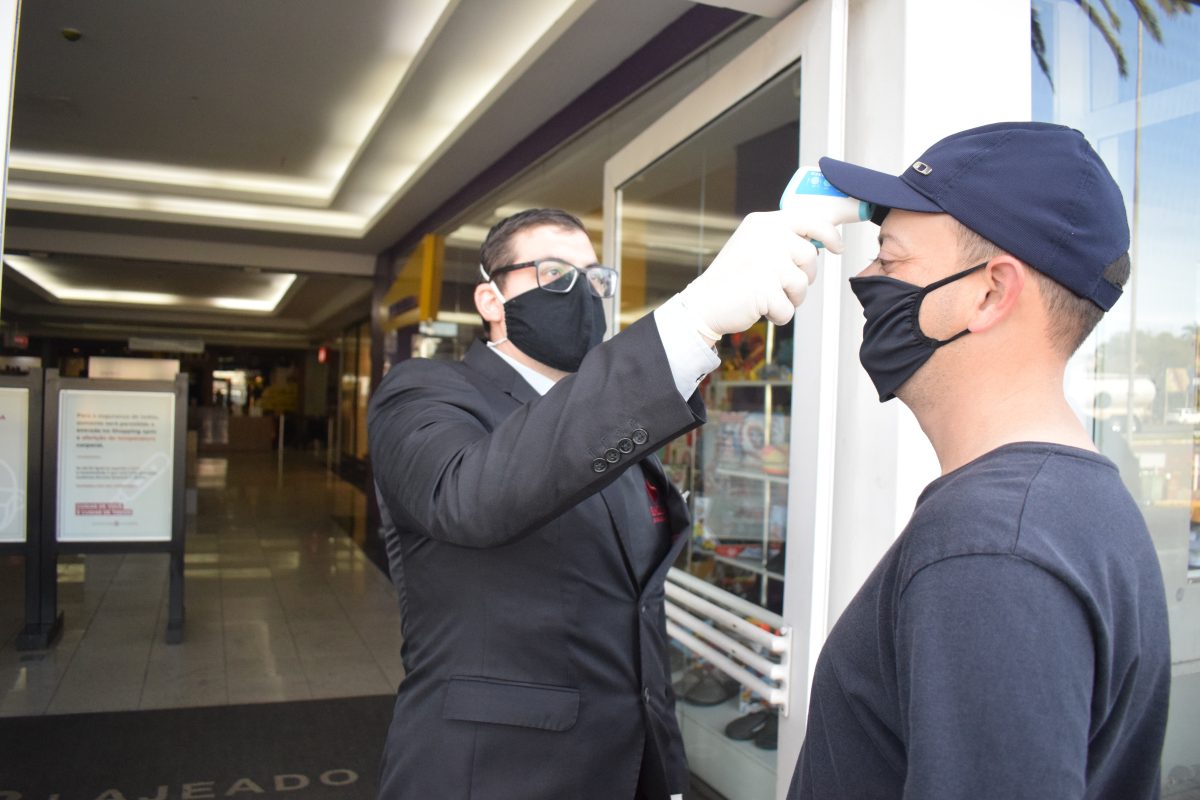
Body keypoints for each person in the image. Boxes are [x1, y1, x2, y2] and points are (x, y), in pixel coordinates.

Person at [368, 207, 842, 799]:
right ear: (491, 300)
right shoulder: (425, 392)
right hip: (492, 774)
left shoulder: (613, 428)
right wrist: (690, 321)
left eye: (594, 279)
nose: (583, 293)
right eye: (554, 274)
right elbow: (469, 496)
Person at [787, 121, 1171, 798]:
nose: (865, 278)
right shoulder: (1072, 507)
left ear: (991, 292)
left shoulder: (993, 547)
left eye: (892, 258)